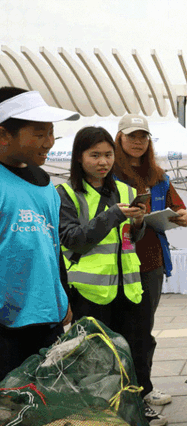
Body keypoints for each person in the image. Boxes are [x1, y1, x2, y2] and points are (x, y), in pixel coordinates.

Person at [55, 127, 165, 425]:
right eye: (95, 155)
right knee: (97, 356)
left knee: (136, 349)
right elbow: (73, 239)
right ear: (79, 158)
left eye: (107, 155)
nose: (103, 162)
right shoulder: (65, 194)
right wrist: (113, 214)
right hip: (89, 292)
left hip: (130, 286)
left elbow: (130, 237)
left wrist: (140, 223)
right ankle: (103, 410)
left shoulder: (127, 191)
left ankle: (137, 404)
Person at [113, 114, 187, 414]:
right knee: (122, 328)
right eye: (132, 135)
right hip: (118, 261)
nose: (138, 141)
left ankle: (143, 387)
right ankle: (124, 391)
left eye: (143, 136)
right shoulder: (109, 174)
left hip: (151, 260)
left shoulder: (158, 176)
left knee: (143, 329)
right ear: (119, 138)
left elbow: (180, 210)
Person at [0, 87, 78, 380]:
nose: (49, 142)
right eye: (39, 133)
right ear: (3, 134)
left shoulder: (45, 184)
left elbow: (52, 246)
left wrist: (63, 296)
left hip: (48, 320)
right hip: (7, 327)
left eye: (52, 132)